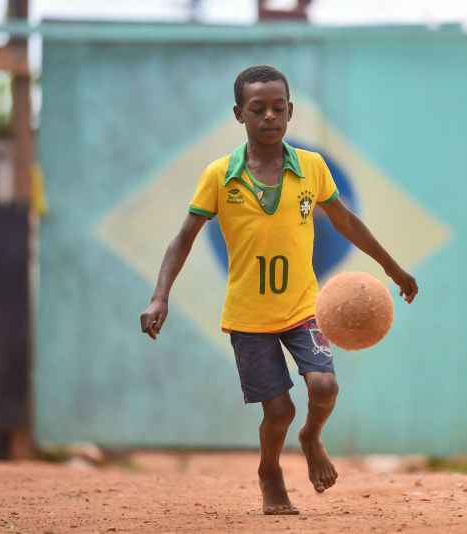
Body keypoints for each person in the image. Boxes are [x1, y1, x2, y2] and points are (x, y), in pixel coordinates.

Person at [139, 65, 418, 515]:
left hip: (304, 306)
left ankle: (312, 437)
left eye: (279, 108)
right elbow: (184, 237)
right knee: (279, 411)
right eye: (258, 109)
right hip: (249, 316)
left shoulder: (310, 167)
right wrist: (160, 295)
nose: (270, 116)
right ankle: (270, 470)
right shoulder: (220, 176)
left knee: (324, 386)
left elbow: (346, 221)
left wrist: (391, 267)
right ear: (238, 114)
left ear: (290, 112)